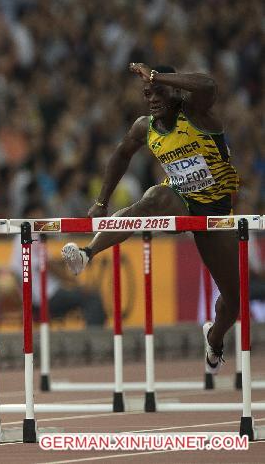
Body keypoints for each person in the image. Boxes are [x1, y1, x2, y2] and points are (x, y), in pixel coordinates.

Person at [62, 63, 241, 375]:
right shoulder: (145, 127)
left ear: (175, 90)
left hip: (214, 212)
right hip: (178, 201)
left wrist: (158, 77)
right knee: (152, 199)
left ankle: (214, 337)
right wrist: (101, 202)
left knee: (234, 301)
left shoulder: (198, 114)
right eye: (147, 93)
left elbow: (209, 85)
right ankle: (86, 253)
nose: (152, 98)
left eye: (158, 91)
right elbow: (120, 155)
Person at [17, 205, 106, 327]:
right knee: (91, 297)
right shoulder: (31, 236)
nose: (41, 218)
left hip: (38, 295)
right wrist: (75, 283)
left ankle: (93, 335)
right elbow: (47, 265)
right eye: (37, 215)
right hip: (46, 296)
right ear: (27, 217)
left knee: (89, 296)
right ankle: (94, 338)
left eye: (42, 215)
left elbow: (44, 263)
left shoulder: (19, 238)